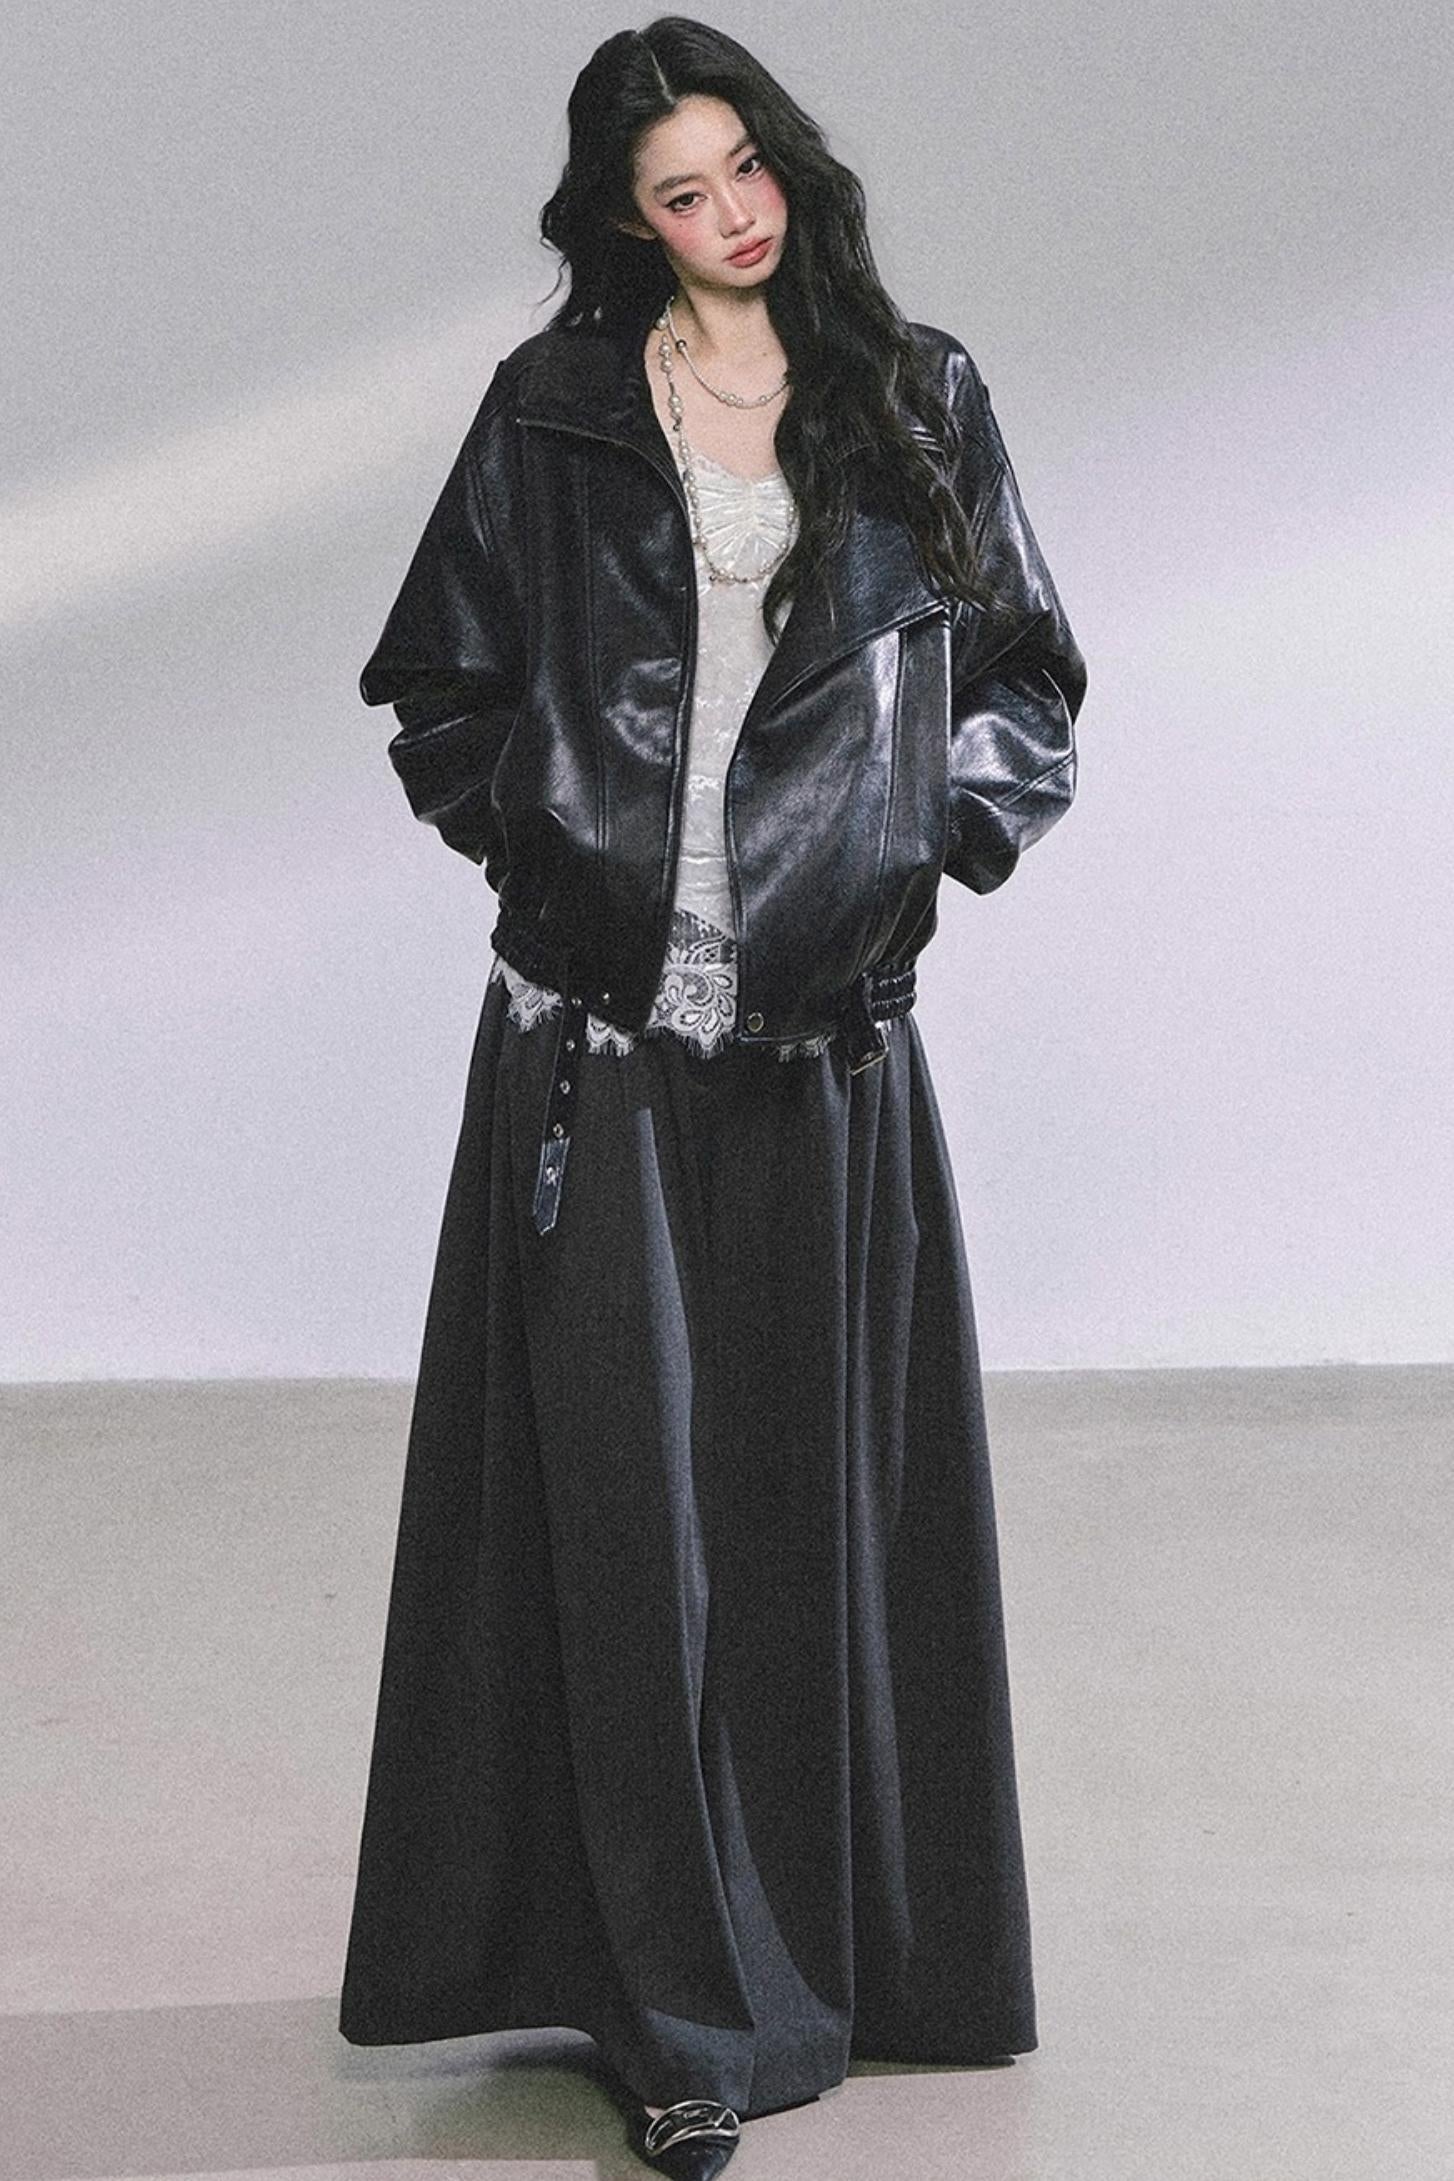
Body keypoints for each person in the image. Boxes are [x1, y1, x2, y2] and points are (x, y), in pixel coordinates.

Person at [338, 17, 1087, 2179]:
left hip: (826, 1039)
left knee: (801, 1507)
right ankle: (671, 2009)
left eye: (746, 166)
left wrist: (915, 840)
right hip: (597, 1034)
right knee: (623, 1526)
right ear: (622, 217)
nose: (732, 214)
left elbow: (1026, 676)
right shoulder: (556, 407)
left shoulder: (915, 390)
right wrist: (548, 839)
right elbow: (437, 681)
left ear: (786, 163)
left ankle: (846, 1957)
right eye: (681, 190)